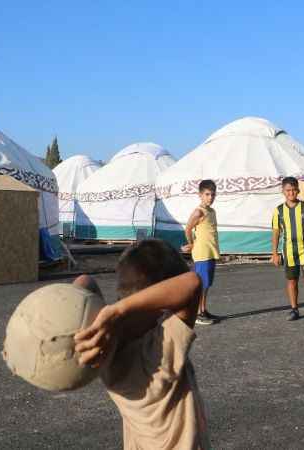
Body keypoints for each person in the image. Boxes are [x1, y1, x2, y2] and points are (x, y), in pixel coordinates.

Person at [73, 239, 210, 449]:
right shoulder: (158, 352)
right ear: (162, 306)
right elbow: (191, 283)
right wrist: (119, 310)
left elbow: (84, 281)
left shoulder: (108, 351)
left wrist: (110, 313)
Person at [271, 177, 304, 322]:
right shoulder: (279, 211)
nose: (291, 193)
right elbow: (276, 232)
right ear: (283, 191)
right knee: (292, 281)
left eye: (294, 190)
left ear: (298, 190)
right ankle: (294, 309)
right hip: (289, 252)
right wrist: (274, 253)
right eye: (288, 190)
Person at [182, 179, 221, 325]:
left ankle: (203, 310)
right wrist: (191, 243)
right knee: (201, 284)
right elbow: (188, 228)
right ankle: (197, 314)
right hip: (202, 253)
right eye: (207, 194)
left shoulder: (212, 211)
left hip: (210, 252)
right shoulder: (199, 212)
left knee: (207, 284)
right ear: (200, 195)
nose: (210, 197)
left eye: (213, 194)